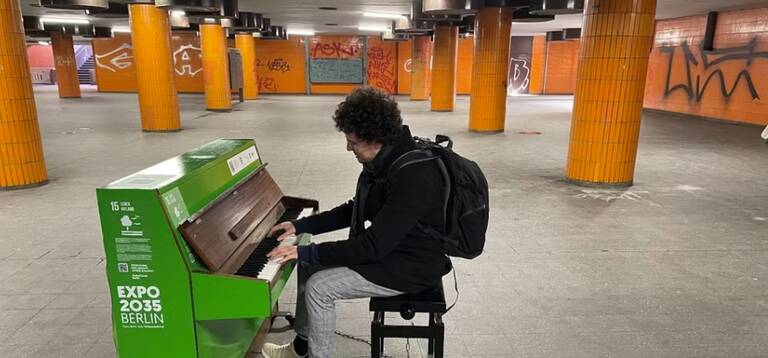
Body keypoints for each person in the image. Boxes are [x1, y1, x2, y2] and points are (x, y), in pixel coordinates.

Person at [261, 87, 451, 358]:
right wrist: (300, 226)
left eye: (352, 142)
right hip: (393, 251)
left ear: (375, 138)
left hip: (412, 267)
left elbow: (372, 247)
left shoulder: (413, 175)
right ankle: (302, 347)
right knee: (307, 264)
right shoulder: (385, 160)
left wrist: (307, 250)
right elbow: (356, 209)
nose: (348, 147)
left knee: (319, 288)